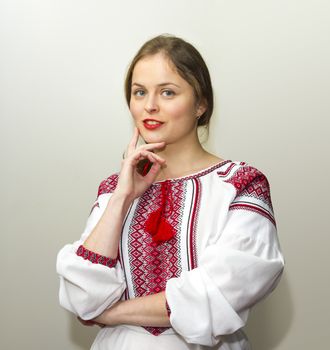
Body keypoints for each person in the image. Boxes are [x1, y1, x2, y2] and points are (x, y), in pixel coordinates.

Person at [56, 34, 284, 350]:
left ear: (201, 104)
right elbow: (82, 295)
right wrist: (122, 196)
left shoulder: (240, 184)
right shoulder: (113, 190)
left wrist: (110, 313)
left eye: (167, 92)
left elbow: (219, 294)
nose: (150, 106)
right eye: (139, 92)